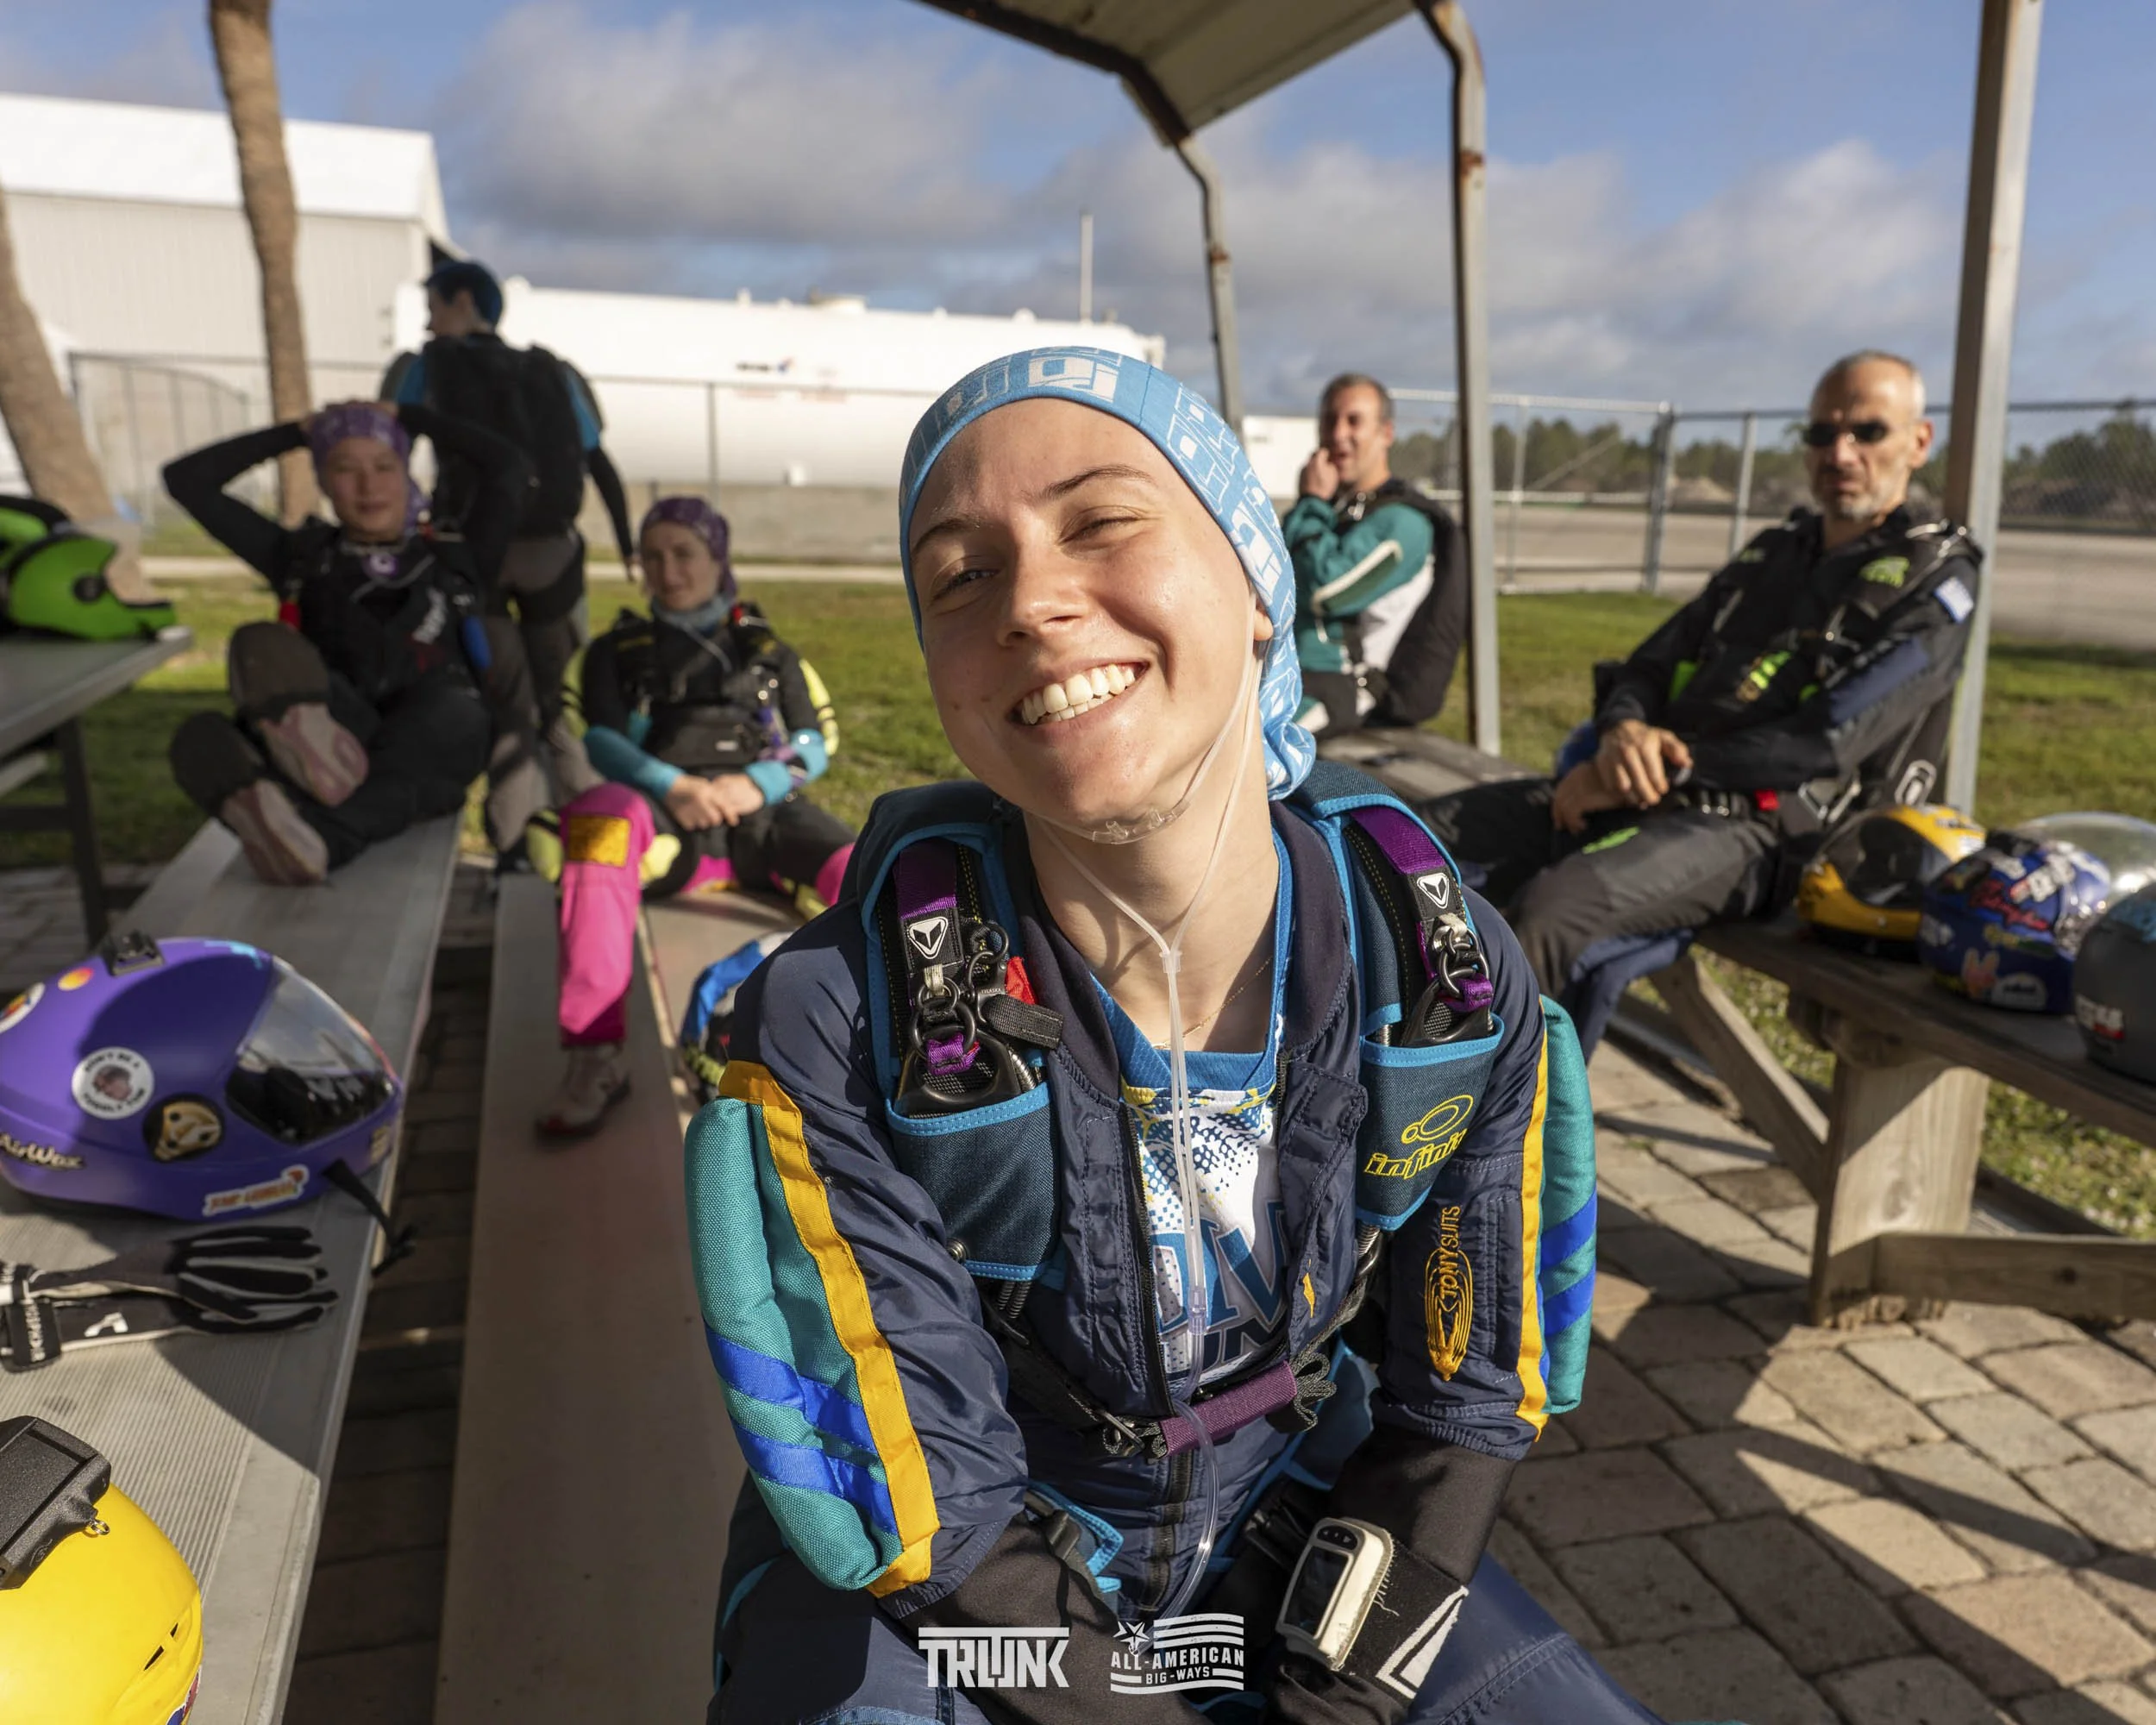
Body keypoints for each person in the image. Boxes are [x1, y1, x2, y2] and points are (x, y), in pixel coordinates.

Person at [686, 349, 1652, 1723]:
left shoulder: (1444, 977)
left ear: (1259, 591)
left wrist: (1341, 1693)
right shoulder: (839, 1022)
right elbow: (934, 1518)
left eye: (1102, 521)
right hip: (967, 1599)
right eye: (961, 575)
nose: (1030, 601)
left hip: (1282, 1521)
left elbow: (1460, 1408)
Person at [1420, 350, 1982, 1013]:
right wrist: (1624, 731)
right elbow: (1646, 665)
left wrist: (1660, 771)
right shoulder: (1774, 554)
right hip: (1639, 789)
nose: (1841, 452)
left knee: (1553, 912)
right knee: (1409, 843)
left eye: (1868, 431)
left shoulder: (1937, 580)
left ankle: (1495, 1110)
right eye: (1822, 433)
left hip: (1768, 833)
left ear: (1919, 443)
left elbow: (1828, 739)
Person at [539, 496, 854, 1137]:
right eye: (652, 557)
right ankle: (594, 1053)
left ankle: (902, 1037)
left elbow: (813, 742)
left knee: (870, 865)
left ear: (718, 558)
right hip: (667, 828)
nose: (668, 570)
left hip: (763, 822)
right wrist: (672, 785)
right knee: (599, 819)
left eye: (685, 553)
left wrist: (757, 783)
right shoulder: (616, 650)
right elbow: (600, 738)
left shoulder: (765, 650)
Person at [163, 401, 530, 884]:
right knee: (264, 649)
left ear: (406, 472)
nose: (368, 485)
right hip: (345, 722)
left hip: (437, 735)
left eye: (384, 466)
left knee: (455, 711)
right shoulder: (298, 556)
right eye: (344, 468)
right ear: (322, 480)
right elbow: (187, 480)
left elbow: (510, 467)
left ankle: (305, 818)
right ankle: (311, 777)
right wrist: (297, 431)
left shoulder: (458, 553)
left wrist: (413, 418)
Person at [381, 258, 635, 850]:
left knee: (509, 709)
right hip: (553, 554)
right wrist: (626, 544)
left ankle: (516, 847)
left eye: (434, 308)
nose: (429, 323)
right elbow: (598, 460)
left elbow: (390, 450)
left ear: (463, 300)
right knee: (554, 706)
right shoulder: (551, 371)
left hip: (476, 555)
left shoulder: (426, 369)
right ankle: (591, 842)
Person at [1287, 373, 1464, 736]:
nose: (1338, 435)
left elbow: (1326, 592)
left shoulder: (1405, 523)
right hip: (1287, 672)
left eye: (1354, 421)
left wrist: (1311, 502)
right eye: (1329, 420)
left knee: (1248, 752)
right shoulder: (1336, 511)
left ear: (1386, 433)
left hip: (1338, 687)